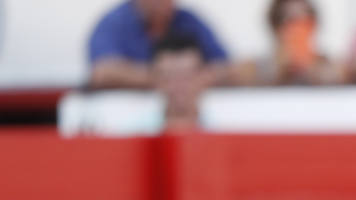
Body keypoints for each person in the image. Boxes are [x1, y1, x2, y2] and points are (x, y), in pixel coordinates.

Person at [87, 0, 228, 90]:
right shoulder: (115, 23)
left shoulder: (188, 21)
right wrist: (173, 79)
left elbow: (229, 67)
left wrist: (192, 79)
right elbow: (101, 73)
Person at [231, 0, 342, 86]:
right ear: (276, 27)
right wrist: (277, 74)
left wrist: (315, 73)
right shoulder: (255, 67)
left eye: (306, 22)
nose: (299, 30)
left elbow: (340, 75)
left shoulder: (326, 63)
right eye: (291, 22)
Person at [151, 31, 210, 132]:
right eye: (170, 77)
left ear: (203, 77)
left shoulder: (224, 129)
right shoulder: (137, 133)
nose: (179, 86)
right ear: (157, 80)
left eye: (186, 77)